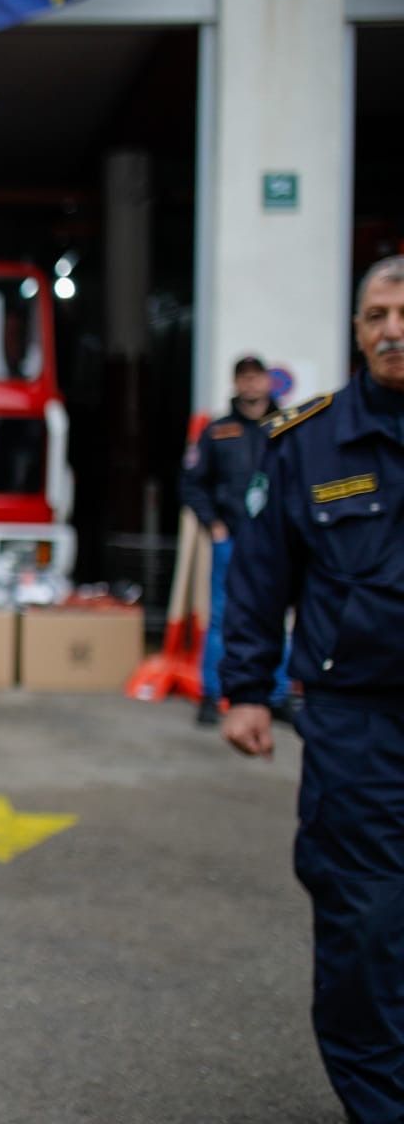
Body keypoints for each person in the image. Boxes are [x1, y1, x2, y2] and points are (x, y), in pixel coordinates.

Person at [221, 255, 404, 1122]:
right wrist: (246, 689)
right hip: (354, 721)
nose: (391, 330)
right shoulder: (310, 440)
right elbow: (261, 574)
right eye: (375, 315)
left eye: (402, 314)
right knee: (366, 921)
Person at [180, 353, 287, 726]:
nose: (250, 384)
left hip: (276, 540)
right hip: (232, 538)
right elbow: (192, 483)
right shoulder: (218, 431)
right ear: (236, 384)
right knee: (224, 616)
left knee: (276, 614)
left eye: (256, 377)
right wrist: (214, 524)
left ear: (267, 382)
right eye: (243, 378)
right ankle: (212, 693)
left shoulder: (287, 427)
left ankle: (278, 695)